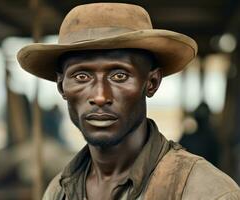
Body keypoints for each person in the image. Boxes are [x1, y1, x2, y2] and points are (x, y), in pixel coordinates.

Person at [17, 3, 240, 200]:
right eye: (82, 76)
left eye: (119, 76)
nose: (100, 96)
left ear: (151, 82)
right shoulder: (59, 191)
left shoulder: (205, 191)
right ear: (61, 86)